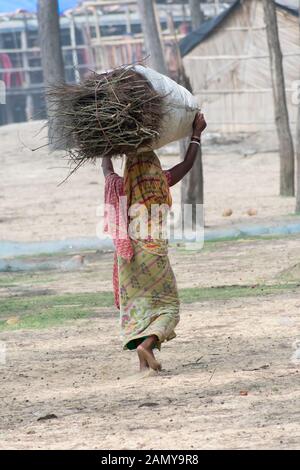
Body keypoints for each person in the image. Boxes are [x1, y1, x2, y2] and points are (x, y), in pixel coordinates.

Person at [102, 112, 207, 372]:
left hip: (127, 257)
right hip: (153, 253)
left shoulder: (119, 185)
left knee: (139, 306)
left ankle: (143, 366)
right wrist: (196, 134)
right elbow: (187, 163)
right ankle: (146, 346)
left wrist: (103, 140)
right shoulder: (162, 181)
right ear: (154, 164)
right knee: (169, 307)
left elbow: (106, 169)